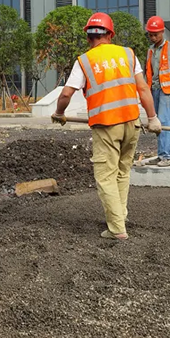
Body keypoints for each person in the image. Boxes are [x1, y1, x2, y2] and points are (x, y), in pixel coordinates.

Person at [51, 12, 161, 241]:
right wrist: (152, 118)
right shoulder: (128, 54)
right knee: (122, 172)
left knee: (106, 176)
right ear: (110, 34)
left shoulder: (84, 61)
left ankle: (116, 229)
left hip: (106, 126)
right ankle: (120, 216)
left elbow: (66, 93)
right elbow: (142, 89)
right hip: (132, 123)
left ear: (89, 36)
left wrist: (59, 113)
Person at [143, 16, 170, 167]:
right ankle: (162, 155)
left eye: (156, 34)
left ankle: (168, 155)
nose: (153, 37)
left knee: (164, 121)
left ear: (162, 32)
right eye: (151, 34)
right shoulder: (150, 50)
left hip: (167, 90)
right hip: (154, 89)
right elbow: (147, 72)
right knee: (156, 123)